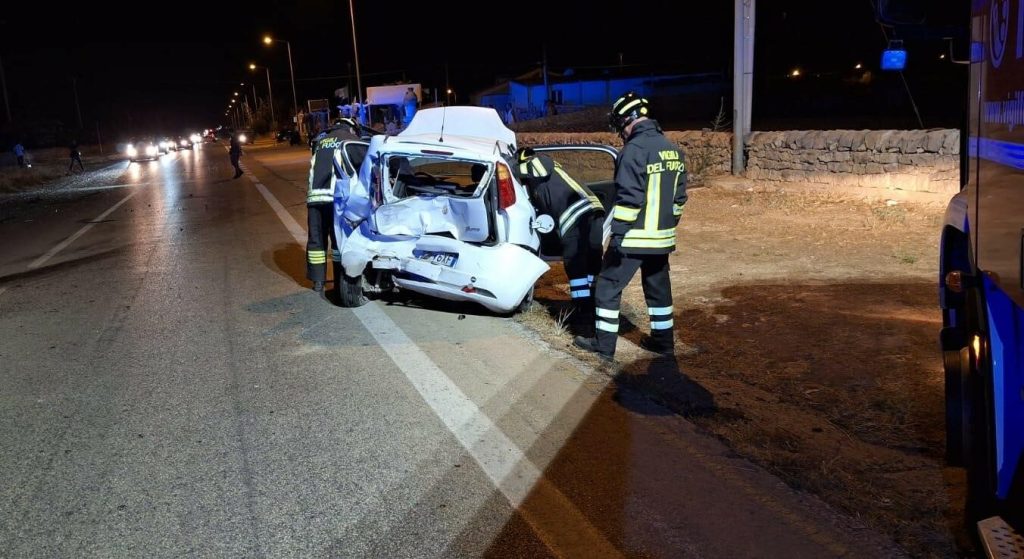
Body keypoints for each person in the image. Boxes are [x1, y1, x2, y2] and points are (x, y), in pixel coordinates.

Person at [573, 92, 688, 360]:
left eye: (619, 124)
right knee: (658, 290)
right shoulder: (672, 149)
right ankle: (663, 343)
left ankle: (604, 347)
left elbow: (629, 199)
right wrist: (667, 225)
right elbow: (679, 198)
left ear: (628, 119)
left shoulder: (633, 151)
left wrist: (618, 235)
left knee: (607, 287)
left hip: (633, 238)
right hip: (662, 239)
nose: (620, 132)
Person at [516, 148, 605, 335]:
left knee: (575, 265)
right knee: (592, 262)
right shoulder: (556, 170)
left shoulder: (538, 163)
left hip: (575, 214)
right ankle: (596, 306)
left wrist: (510, 165)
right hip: (594, 209)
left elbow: (535, 168)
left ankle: (583, 314)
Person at [306, 121, 361, 292]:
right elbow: (364, 163)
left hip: (315, 198)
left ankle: (318, 281)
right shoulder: (349, 140)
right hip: (336, 198)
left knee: (316, 239)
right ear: (351, 128)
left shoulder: (320, 141)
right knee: (338, 240)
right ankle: (339, 280)